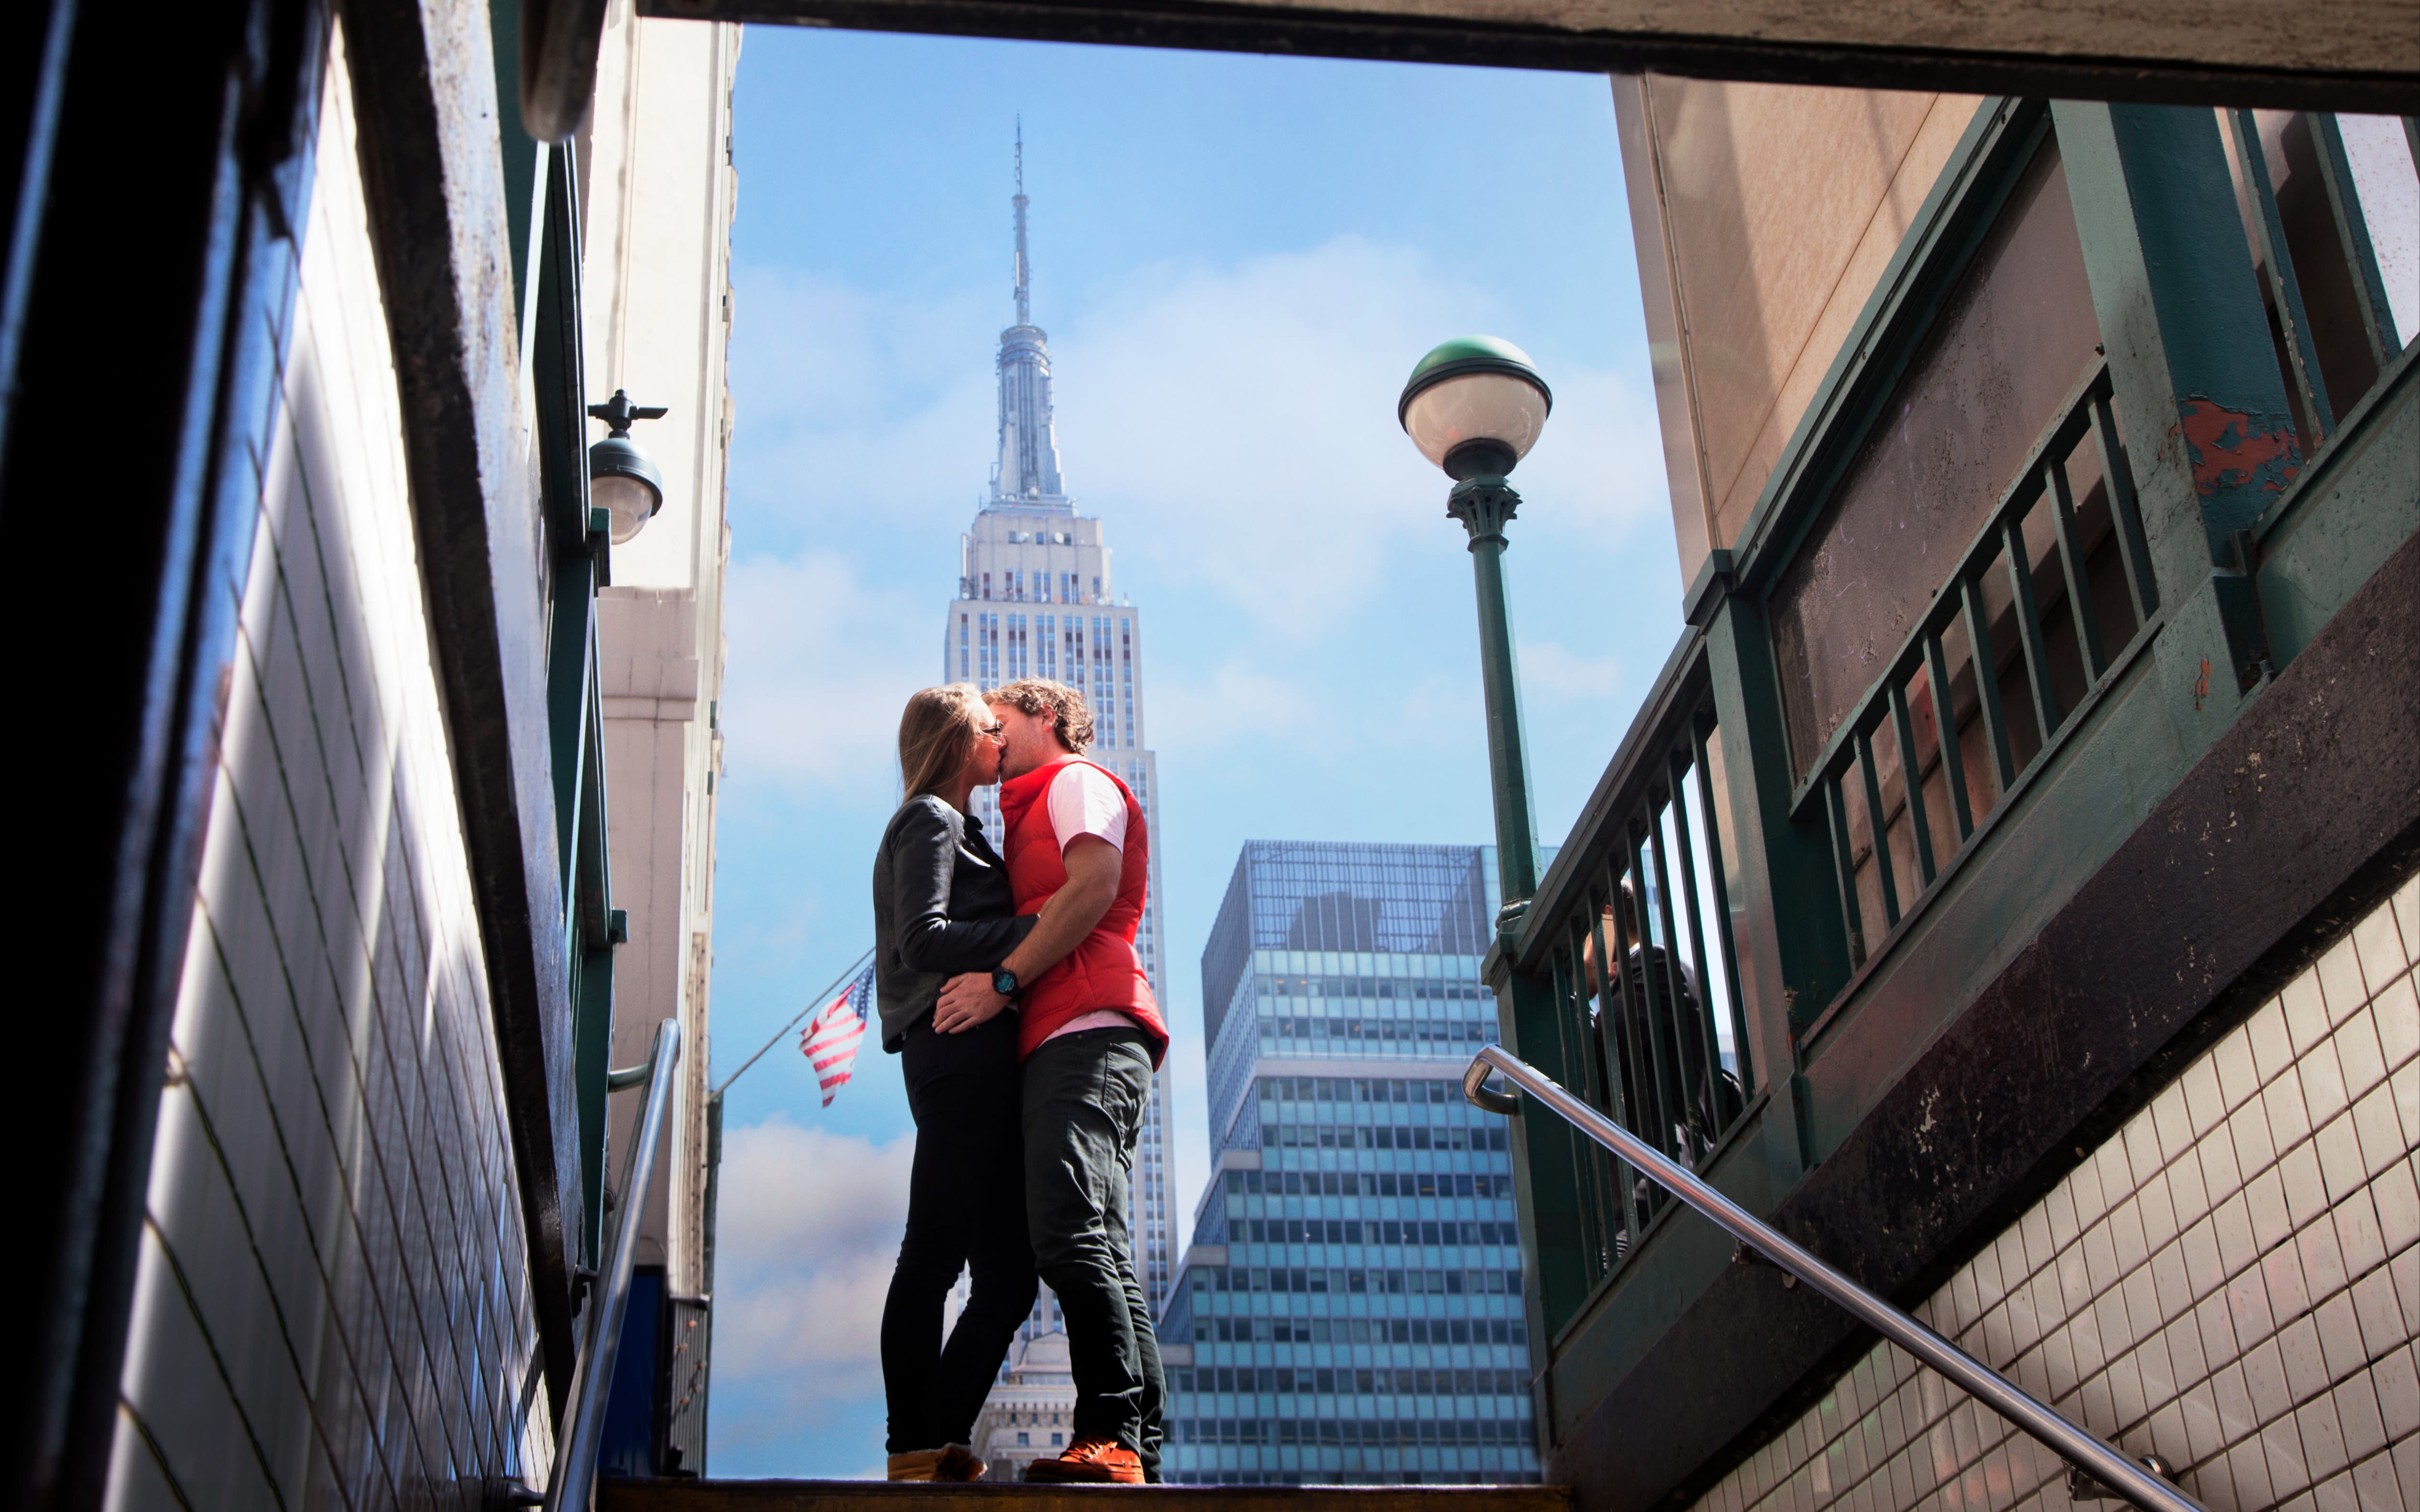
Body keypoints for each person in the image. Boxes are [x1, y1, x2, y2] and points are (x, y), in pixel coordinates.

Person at [934, 677, 1170, 1484]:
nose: (991, 745)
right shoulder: (1023, 806)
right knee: (1096, 1239)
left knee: (1069, 1232)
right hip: (1067, 1034)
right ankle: (1134, 1444)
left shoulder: (1075, 781)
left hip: (1089, 1026)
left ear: (1045, 718)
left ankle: (1109, 1433)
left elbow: (1094, 886)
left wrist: (1000, 982)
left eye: (999, 726)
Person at [871, 684, 1040, 1482]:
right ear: (953, 742)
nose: (999, 739)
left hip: (983, 1057)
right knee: (935, 1253)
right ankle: (912, 1440)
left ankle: (936, 1436)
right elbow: (922, 937)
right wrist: (1034, 931)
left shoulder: (963, 826)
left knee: (1009, 1277)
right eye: (987, 727)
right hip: (955, 1053)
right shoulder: (928, 821)